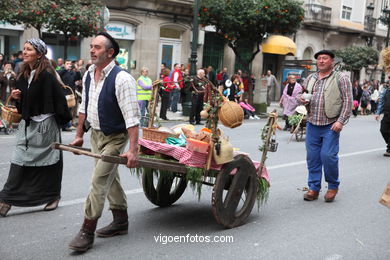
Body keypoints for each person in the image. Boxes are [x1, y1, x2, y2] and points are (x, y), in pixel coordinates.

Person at [68, 32, 140, 252]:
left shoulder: (122, 79)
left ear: (110, 53)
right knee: (110, 177)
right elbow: (84, 107)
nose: (91, 50)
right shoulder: (90, 73)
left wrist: (133, 150)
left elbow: (132, 118)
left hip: (115, 137)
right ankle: (121, 221)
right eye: (91, 46)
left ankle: (87, 230)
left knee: (99, 180)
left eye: (97, 47)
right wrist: (79, 134)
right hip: (96, 135)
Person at [0, 38, 72, 217]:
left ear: (39, 54)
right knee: (19, 161)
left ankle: (52, 196)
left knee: (50, 163)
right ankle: (6, 200)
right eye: (24, 49)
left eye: (29, 50)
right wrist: (18, 97)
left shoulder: (47, 75)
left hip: (46, 126)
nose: (24, 52)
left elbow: (59, 100)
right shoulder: (24, 74)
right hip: (28, 125)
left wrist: (63, 122)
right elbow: (25, 102)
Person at [300, 50, 353, 202]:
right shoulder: (311, 78)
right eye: (319, 59)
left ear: (332, 61)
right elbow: (302, 94)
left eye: (325, 58)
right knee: (312, 158)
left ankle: (332, 186)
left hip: (331, 125)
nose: (321, 61)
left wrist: (341, 121)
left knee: (328, 156)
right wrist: (302, 99)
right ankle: (314, 188)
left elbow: (348, 101)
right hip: (312, 123)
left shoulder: (341, 78)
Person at [375, 84, 390, 157]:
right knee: (383, 130)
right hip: (387, 114)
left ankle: (389, 150)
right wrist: (378, 113)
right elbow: (381, 102)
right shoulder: (386, 90)